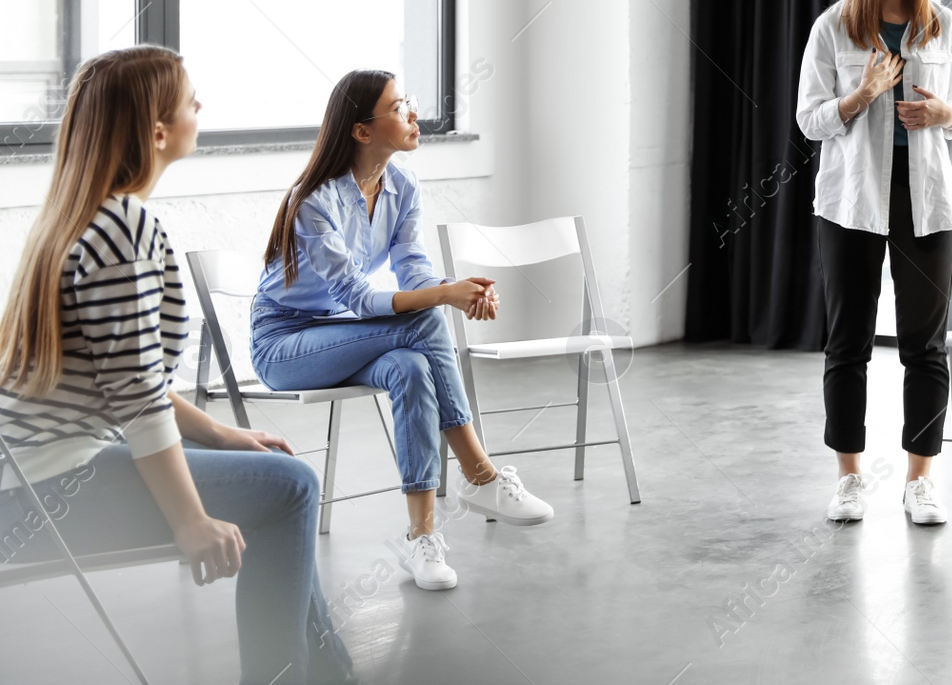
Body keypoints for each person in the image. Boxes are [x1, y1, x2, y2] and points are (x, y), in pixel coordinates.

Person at [0, 46, 354, 685]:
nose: (202, 109)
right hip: (43, 498)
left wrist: (222, 434)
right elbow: (136, 397)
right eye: (191, 101)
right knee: (294, 487)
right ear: (157, 131)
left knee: (274, 472)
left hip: (28, 485)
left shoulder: (75, 218)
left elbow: (122, 381)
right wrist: (190, 521)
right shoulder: (125, 230)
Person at [250, 70, 550, 593]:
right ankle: (480, 474)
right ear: (363, 131)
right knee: (427, 317)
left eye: (409, 101)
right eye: (399, 106)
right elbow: (359, 297)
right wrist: (444, 296)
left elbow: (412, 268)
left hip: (346, 333)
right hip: (285, 344)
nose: (413, 113)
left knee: (412, 365)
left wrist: (462, 289)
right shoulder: (315, 201)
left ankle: (421, 539)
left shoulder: (403, 185)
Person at [796, 0, 952, 526]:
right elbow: (809, 119)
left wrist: (941, 113)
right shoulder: (833, 28)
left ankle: (919, 480)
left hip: (926, 201)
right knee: (847, 343)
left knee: (924, 346)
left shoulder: (941, 26)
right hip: (851, 202)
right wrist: (862, 95)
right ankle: (848, 479)